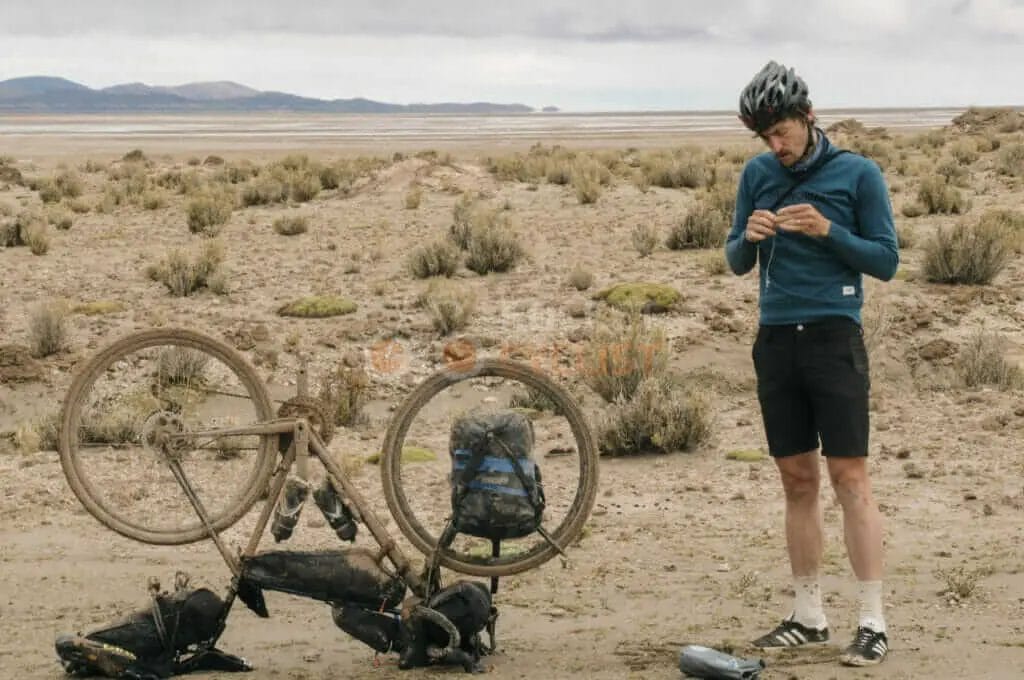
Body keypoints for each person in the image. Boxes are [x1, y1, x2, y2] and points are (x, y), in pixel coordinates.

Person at [725, 61, 899, 667]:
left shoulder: (858, 173)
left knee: (850, 479)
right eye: (766, 137)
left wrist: (829, 231)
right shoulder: (757, 174)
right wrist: (747, 237)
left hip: (833, 337)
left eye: (782, 132)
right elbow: (734, 261)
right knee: (797, 482)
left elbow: (886, 261)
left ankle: (872, 621)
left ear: (807, 115)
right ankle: (808, 616)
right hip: (776, 341)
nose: (776, 146)